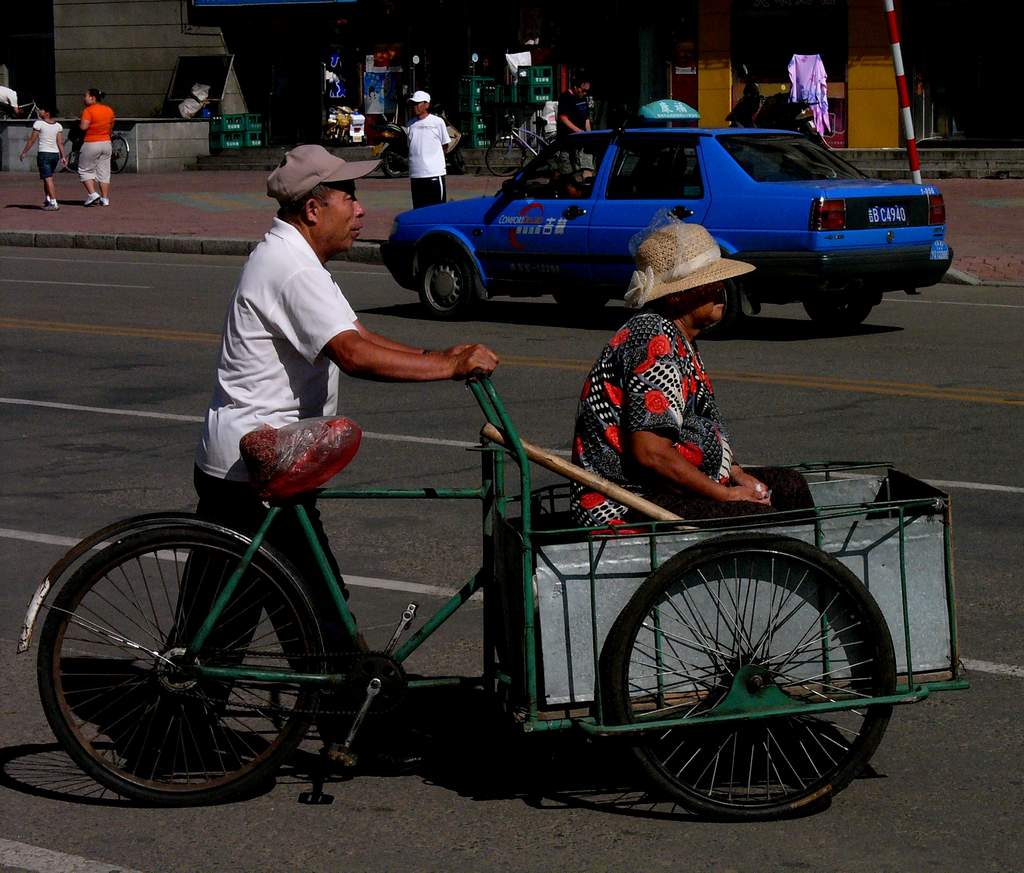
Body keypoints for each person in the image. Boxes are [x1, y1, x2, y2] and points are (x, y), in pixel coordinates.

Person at [194, 144, 499, 604]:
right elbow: (353, 354)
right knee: (317, 625)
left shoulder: (298, 257)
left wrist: (437, 354)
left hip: (270, 463)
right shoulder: (291, 266)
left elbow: (357, 332)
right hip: (254, 473)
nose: (360, 209)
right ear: (314, 209)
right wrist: (449, 366)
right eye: (349, 196)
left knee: (261, 619)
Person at [570, 219, 813, 527]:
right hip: (631, 502)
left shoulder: (678, 337)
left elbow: (699, 428)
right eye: (708, 281)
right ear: (677, 296)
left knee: (789, 486)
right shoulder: (652, 337)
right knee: (756, 516)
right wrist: (726, 496)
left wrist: (737, 476)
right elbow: (652, 454)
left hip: (669, 490)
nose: (721, 290)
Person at [404, 90, 450, 208]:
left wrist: (435, 161)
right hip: (416, 174)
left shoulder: (437, 122)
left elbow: (445, 145)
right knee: (419, 209)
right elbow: (410, 145)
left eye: (418, 103)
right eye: (413, 103)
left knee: (437, 209)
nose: (415, 106)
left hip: (433, 173)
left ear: (426, 104)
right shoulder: (410, 124)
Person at [18, 105, 67, 210]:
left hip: (44, 154)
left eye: (42, 110)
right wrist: (63, 156)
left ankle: (54, 203)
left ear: (47, 113)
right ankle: (48, 198)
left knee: (48, 178)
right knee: (47, 177)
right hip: (55, 155)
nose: (39, 111)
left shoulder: (38, 123)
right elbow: (60, 143)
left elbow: (32, 140)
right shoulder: (58, 125)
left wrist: (24, 152)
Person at [78, 88, 115, 207]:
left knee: (85, 169)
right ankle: (105, 198)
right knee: (104, 171)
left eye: (85, 96)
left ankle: (92, 193)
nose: (84, 98)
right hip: (106, 142)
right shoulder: (109, 110)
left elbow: (83, 127)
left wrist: (79, 123)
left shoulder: (88, 110)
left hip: (91, 142)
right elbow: (111, 126)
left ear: (92, 98)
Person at [556, 75, 592, 140]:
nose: (585, 93)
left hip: (582, 136)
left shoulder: (583, 98)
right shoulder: (565, 97)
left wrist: (589, 134)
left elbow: (586, 118)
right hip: (569, 136)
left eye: (587, 91)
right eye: (583, 90)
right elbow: (564, 118)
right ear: (575, 87)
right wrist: (579, 131)